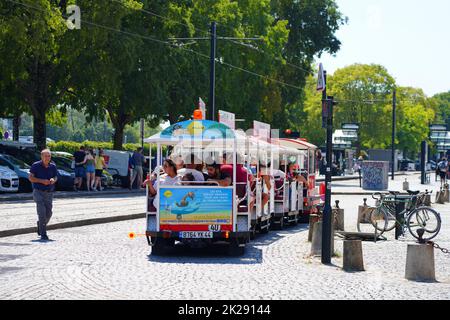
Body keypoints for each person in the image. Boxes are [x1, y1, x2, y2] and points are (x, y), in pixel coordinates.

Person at [28, 149, 58, 241]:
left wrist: (53, 180)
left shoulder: (53, 166)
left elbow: (56, 176)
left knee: (48, 213)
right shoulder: (35, 165)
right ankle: (43, 234)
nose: (47, 158)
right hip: (38, 192)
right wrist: (42, 181)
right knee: (42, 213)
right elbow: (31, 178)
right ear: (41, 156)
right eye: (45, 156)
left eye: (49, 156)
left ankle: (40, 224)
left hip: (49, 193)